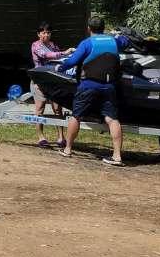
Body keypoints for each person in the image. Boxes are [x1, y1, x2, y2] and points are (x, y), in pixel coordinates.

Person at [55, 16, 130, 166]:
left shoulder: (87, 43)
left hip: (88, 86)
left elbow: (72, 61)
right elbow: (125, 42)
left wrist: (60, 67)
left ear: (89, 28)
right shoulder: (113, 41)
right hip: (109, 87)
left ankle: (68, 149)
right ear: (104, 28)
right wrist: (118, 36)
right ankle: (116, 156)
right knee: (112, 119)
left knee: (76, 116)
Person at [30, 22, 74, 147]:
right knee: (40, 109)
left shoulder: (54, 45)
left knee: (57, 109)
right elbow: (46, 55)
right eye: (43, 32)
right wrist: (65, 52)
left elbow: (59, 59)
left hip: (53, 80)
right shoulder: (35, 45)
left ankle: (61, 136)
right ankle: (41, 137)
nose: (46, 35)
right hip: (40, 79)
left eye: (48, 32)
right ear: (39, 34)